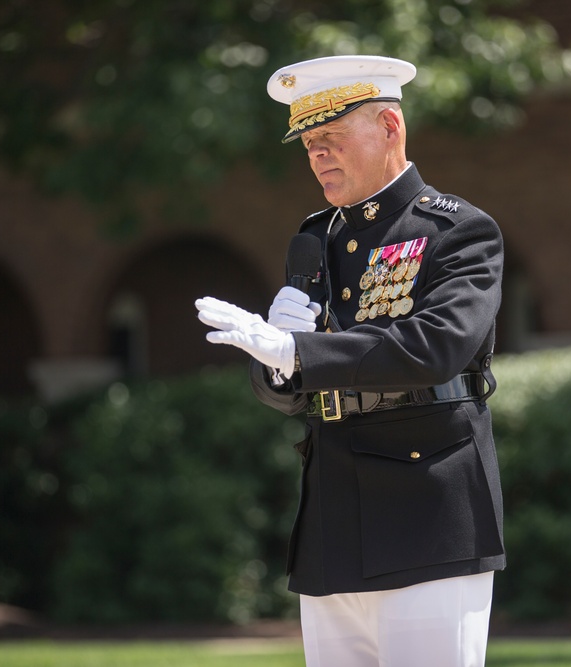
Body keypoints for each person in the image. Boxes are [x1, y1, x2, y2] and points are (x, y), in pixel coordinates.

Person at [195, 55, 505, 667]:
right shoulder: (315, 239)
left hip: (427, 506)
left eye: (331, 138)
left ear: (390, 127)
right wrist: (276, 364)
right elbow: (289, 389)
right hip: (333, 514)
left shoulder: (457, 230)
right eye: (309, 144)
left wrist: (297, 351)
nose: (318, 157)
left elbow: (437, 345)